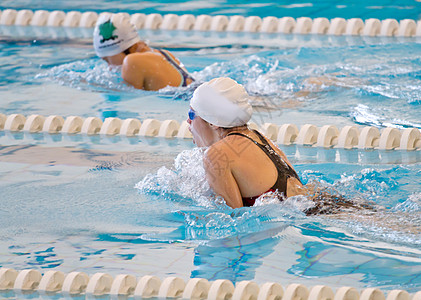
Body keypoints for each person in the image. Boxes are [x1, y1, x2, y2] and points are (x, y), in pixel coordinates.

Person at [187, 77, 373, 214]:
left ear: (213, 122)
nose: (188, 122)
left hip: (316, 217)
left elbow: (233, 218)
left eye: (192, 114)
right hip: (331, 204)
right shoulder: (258, 137)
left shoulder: (216, 156)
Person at [93, 14, 194, 91]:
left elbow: (128, 99)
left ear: (124, 48)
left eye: (107, 60)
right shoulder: (163, 53)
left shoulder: (132, 60)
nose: (109, 67)